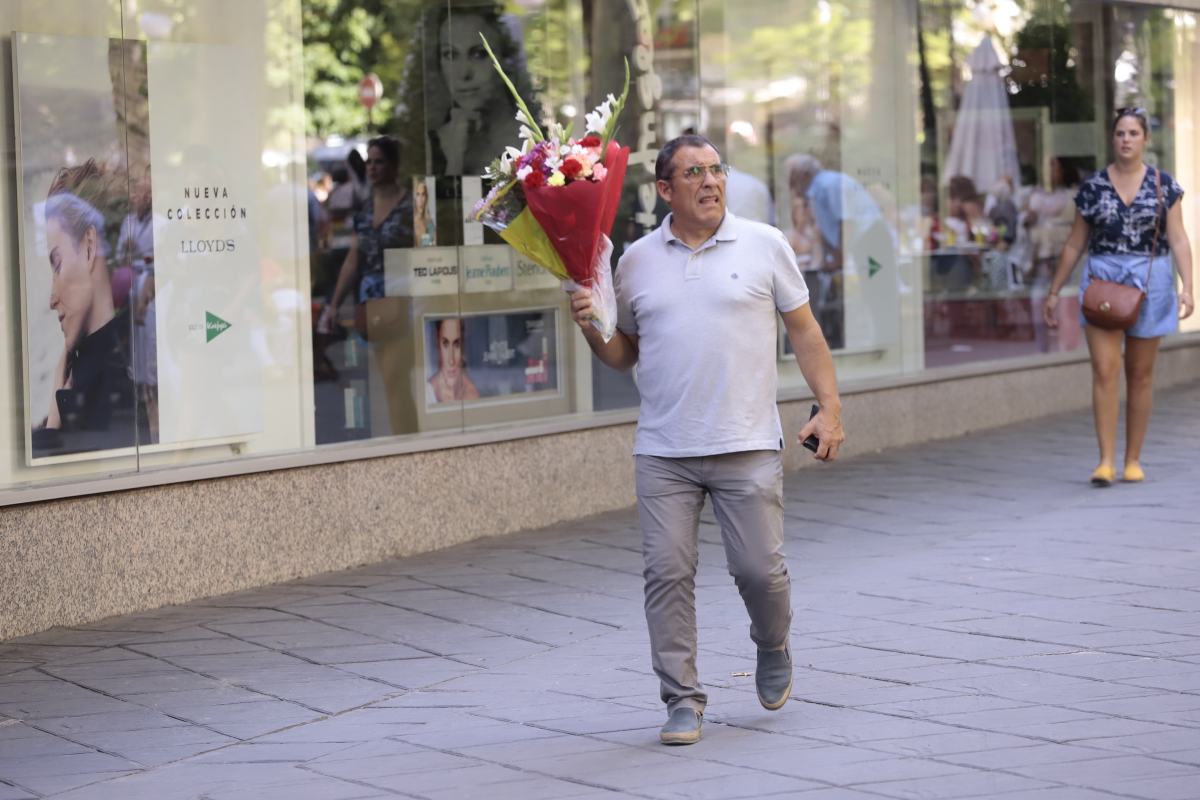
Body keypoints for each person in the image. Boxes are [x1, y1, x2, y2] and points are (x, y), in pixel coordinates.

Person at [569, 135, 845, 746]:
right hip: (665, 449)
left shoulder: (764, 243)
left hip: (746, 442)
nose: (710, 181)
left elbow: (805, 332)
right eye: (694, 173)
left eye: (716, 168)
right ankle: (682, 699)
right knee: (666, 574)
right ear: (665, 190)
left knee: (759, 571)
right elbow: (623, 354)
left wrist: (829, 408)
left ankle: (772, 643)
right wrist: (592, 324)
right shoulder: (638, 259)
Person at [1044, 107, 1195, 486]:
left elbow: (1178, 238)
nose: (1126, 139)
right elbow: (1075, 242)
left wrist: (1189, 286)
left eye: (1133, 133)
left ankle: (1133, 459)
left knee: (1140, 375)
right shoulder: (1093, 187)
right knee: (1104, 370)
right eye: (1120, 133)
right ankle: (1105, 460)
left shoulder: (1164, 185)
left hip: (1152, 280)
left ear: (1145, 139)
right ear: (1112, 139)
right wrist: (1053, 290)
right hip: (1103, 281)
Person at [34, 160, 137, 455]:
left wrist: (54, 421)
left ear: (90, 246)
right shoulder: (94, 367)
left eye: (57, 264)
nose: (52, 298)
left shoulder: (111, 380)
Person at [318, 135, 414, 335]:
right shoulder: (365, 209)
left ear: (394, 165)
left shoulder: (410, 205)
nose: (372, 167)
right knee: (379, 360)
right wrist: (334, 305)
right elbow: (353, 259)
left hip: (404, 296)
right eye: (368, 162)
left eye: (379, 161)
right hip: (370, 301)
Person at [425, 4, 534, 176]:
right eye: (450, 55)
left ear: (505, 60)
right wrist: (454, 162)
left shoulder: (530, 141)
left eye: (479, 54)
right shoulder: (437, 142)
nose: (463, 73)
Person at [115, 167, 159, 443]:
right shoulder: (128, 222)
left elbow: (157, 261)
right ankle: (149, 415)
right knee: (139, 360)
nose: (138, 195)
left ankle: (157, 422)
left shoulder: (162, 221)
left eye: (143, 191)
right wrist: (128, 250)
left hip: (153, 293)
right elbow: (121, 256)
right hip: (133, 290)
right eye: (136, 191)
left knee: (153, 356)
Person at [1026, 157, 1081, 352]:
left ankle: (1065, 350)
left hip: (1064, 258)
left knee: (1065, 307)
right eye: (1046, 166)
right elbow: (1028, 226)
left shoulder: (1073, 195)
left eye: (1054, 166)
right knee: (1037, 303)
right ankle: (1043, 349)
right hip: (1042, 257)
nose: (1049, 171)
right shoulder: (1035, 196)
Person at [426, 317, 480, 404]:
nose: (451, 360)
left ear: (463, 346)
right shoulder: (426, 394)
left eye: (457, 344)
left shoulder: (472, 395)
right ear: (437, 344)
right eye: (445, 344)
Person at [413, 178, 436, 247]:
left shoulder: (429, 222)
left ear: (426, 197)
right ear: (415, 197)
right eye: (418, 194)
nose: (420, 198)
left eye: (423, 194)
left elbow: (429, 245)